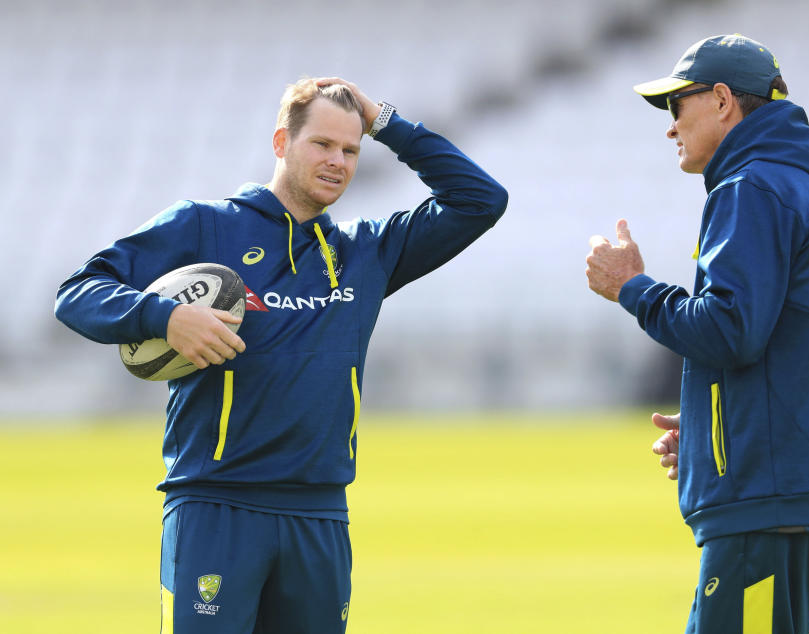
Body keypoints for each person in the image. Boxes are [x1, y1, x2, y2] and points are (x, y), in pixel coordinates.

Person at [55, 77, 508, 633]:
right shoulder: (206, 225)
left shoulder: (364, 252)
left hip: (320, 514)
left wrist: (384, 121)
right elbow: (78, 291)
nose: (338, 161)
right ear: (281, 143)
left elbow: (481, 200)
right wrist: (166, 317)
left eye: (350, 149)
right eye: (322, 144)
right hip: (214, 507)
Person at [585, 34, 809, 633]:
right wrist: (712, 427)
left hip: (770, 500)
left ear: (722, 101)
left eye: (676, 106)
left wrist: (631, 287)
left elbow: (729, 329)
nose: (669, 127)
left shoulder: (751, 187)